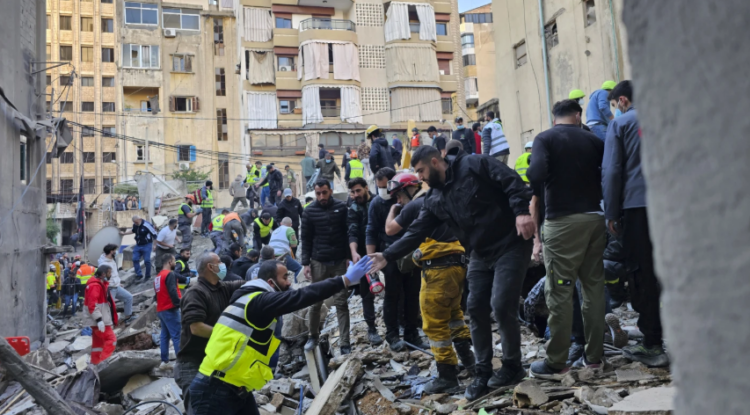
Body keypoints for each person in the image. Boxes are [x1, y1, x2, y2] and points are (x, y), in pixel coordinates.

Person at [368, 145, 535, 400]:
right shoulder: (434, 199)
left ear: (435, 162)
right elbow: (415, 232)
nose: (420, 177)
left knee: (501, 304)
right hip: (480, 253)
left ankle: (513, 366)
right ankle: (482, 372)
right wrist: (387, 255)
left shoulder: (475, 165)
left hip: (511, 243)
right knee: (475, 308)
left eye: (421, 171)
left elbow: (512, 181)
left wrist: (522, 212)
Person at [189, 257, 372, 414]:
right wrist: (343, 280)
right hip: (214, 389)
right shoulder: (259, 302)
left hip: (235, 387)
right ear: (271, 283)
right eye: (285, 278)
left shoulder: (250, 299)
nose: (289, 282)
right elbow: (300, 297)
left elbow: (299, 294)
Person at [526, 99, 606, 379]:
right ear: (578, 116)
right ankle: (594, 358)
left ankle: (556, 361)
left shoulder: (545, 138)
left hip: (562, 223)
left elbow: (536, 174)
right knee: (593, 288)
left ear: (554, 118)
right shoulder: (594, 140)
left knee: (559, 290)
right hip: (595, 219)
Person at [382, 172, 476, 393]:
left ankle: (447, 376)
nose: (398, 200)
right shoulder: (442, 199)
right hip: (457, 265)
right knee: (454, 316)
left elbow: (390, 229)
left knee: (434, 322)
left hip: (438, 270)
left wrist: (393, 210)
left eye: (399, 195)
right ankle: (470, 364)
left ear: (409, 189)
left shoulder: (416, 205)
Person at [602, 80, 668, 367]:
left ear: (623, 101)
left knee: (642, 272)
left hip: (638, 206)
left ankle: (652, 343)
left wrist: (611, 212)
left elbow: (612, 171)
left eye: (614, 104)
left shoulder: (622, 123)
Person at [175, 252, 246, 413]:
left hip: (214, 362)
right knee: (198, 409)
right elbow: (197, 328)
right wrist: (230, 336)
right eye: (219, 262)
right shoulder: (196, 293)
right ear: (210, 267)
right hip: (192, 363)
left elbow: (245, 284)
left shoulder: (222, 288)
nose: (222, 265)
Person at [366, 167, 425, 352]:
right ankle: (392, 335)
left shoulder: (412, 201)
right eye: (380, 188)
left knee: (412, 294)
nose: (384, 192)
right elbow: (371, 230)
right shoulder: (377, 204)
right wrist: (370, 260)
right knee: (393, 295)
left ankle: (411, 333)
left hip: (412, 252)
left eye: (386, 187)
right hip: (389, 254)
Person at [300, 179, 352, 354]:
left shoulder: (341, 208)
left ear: (330, 191)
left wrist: (348, 257)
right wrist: (305, 263)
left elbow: (347, 233)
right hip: (318, 262)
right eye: (318, 193)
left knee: (341, 302)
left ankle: (345, 343)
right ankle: (312, 335)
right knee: (315, 302)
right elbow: (305, 238)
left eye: (324, 192)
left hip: (339, 261)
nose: (321, 196)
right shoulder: (309, 211)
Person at [345, 177, 382, 346]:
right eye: (352, 192)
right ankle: (372, 328)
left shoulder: (378, 202)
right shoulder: (353, 208)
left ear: (366, 188)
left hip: (383, 250)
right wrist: (354, 252)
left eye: (358, 190)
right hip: (364, 254)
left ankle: (398, 326)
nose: (355, 195)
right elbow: (352, 231)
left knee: (395, 289)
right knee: (367, 293)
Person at [83, 265, 118, 364]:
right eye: (109, 273)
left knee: (98, 345)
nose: (110, 275)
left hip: (99, 320)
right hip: (99, 320)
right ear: (103, 274)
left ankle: (95, 363)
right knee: (111, 340)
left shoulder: (100, 284)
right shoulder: (95, 286)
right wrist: (99, 320)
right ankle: (103, 364)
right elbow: (92, 305)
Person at [155, 254, 182, 370]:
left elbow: (156, 295)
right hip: (170, 309)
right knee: (177, 336)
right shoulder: (169, 274)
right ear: (170, 262)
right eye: (174, 261)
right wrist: (179, 304)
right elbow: (172, 291)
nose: (175, 263)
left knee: (165, 336)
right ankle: (181, 362)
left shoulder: (158, 277)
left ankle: (164, 361)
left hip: (161, 309)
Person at [99, 244, 134, 323]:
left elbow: (114, 274)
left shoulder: (112, 260)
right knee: (109, 305)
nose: (116, 252)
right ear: (111, 251)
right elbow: (103, 278)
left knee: (129, 297)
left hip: (116, 286)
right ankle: (107, 322)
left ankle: (128, 317)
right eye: (115, 250)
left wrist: (118, 282)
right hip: (110, 288)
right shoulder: (103, 264)